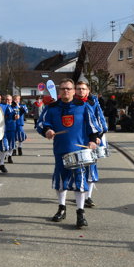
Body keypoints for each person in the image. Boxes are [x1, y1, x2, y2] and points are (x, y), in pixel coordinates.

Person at [36, 79, 101, 229]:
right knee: (61, 181)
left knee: (80, 181)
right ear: (59, 91)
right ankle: (61, 208)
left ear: (73, 91)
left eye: (69, 89)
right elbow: (40, 123)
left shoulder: (83, 106)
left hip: (79, 151)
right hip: (60, 150)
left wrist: (92, 140)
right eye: (63, 88)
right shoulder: (52, 108)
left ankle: (80, 213)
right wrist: (47, 130)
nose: (66, 91)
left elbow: (93, 125)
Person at [85, 87, 108, 208]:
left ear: (88, 90)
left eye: (84, 89)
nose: (81, 91)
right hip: (77, 139)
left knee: (91, 166)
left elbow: (101, 120)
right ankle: (80, 193)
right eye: (78, 89)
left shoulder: (94, 103)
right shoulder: (71, 102)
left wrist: (98, 135)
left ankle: (88, 196)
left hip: (93, 138)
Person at [3, 94, 19, 164]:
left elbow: (16, 116)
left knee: (11, 143)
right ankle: (3, 156)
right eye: (6, 99)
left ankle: (9, 156)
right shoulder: (2, 106)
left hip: (12, 127)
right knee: (4, 144)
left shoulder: (14, 107)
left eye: (9, 99)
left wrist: (16, 115)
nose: (7, 101)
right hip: (3, 128)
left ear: (11, 100)